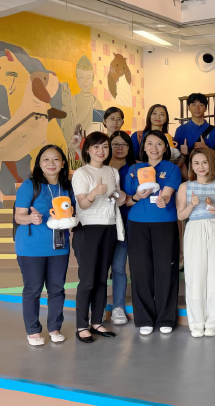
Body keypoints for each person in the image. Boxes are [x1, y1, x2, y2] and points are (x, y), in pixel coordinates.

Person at [15, 145, 77, 346]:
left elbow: (73, 212)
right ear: (39, 164)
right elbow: (19, 216)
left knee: (57, 289)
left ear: (63, 163)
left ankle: (54, 327)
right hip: (31, 248)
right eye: (46, 159)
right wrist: (30, 218)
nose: (51, 163)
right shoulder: (29, 185)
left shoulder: (67, 186)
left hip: (59, 247)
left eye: (56, 159)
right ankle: (33, 330)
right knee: (33, 289)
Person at [123, 130, 182, 335]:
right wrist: (138, 196)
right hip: (137, 224)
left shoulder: (172, 169)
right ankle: (144, 319)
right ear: (144, 147)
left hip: (164, 224)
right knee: (141, 271)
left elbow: (168, 192)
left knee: (166, 270)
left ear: (166, 148)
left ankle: (166, 318)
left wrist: (163, 199)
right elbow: (128, 200)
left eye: (159, 144)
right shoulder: (133, 169)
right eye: (150, 143)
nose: (154, 148)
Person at [72, 131, 126, 343]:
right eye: (96, 146)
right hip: (88, 229)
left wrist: (120, 197)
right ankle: (81, 325)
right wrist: (94, 192)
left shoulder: (113, 172)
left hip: (109, 227)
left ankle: (97, 322)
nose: (101, 150)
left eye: (105, 146)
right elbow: (83, 204)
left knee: (103, 277)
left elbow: (117, 199)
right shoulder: (81, 173)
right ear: (87, 149)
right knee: (87, 279)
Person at [176, 148, 215, 338]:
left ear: (211, 163)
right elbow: (180, 215)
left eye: (205, 162)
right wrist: (192, 204)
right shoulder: (185, 186)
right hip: (195, 230)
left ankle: (213, 321)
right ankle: (197, 321)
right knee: (195, 275)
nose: (201, 167)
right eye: (196, 163)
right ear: (191, 165)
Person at [107, 131, 137, 325]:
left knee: (119, 267)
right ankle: (98, 306)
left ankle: (118, 307)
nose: (119, 148)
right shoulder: (101, 169)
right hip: (101, 225)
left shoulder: (134, 169)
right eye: (115, 144)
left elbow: (134, 197)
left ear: (129, 148)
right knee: (100, 269)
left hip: (125, 225)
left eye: (124, 144)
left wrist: (126, 199)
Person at [175, 93, 215, 162]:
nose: (197, 108)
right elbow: (174, 158)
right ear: (188, 107)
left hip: (208, 171)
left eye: (201, 105)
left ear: (205, 108)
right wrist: (182, 154)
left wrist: (207, 149)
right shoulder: (181, 130)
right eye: (194, 105)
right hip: (187, 172)